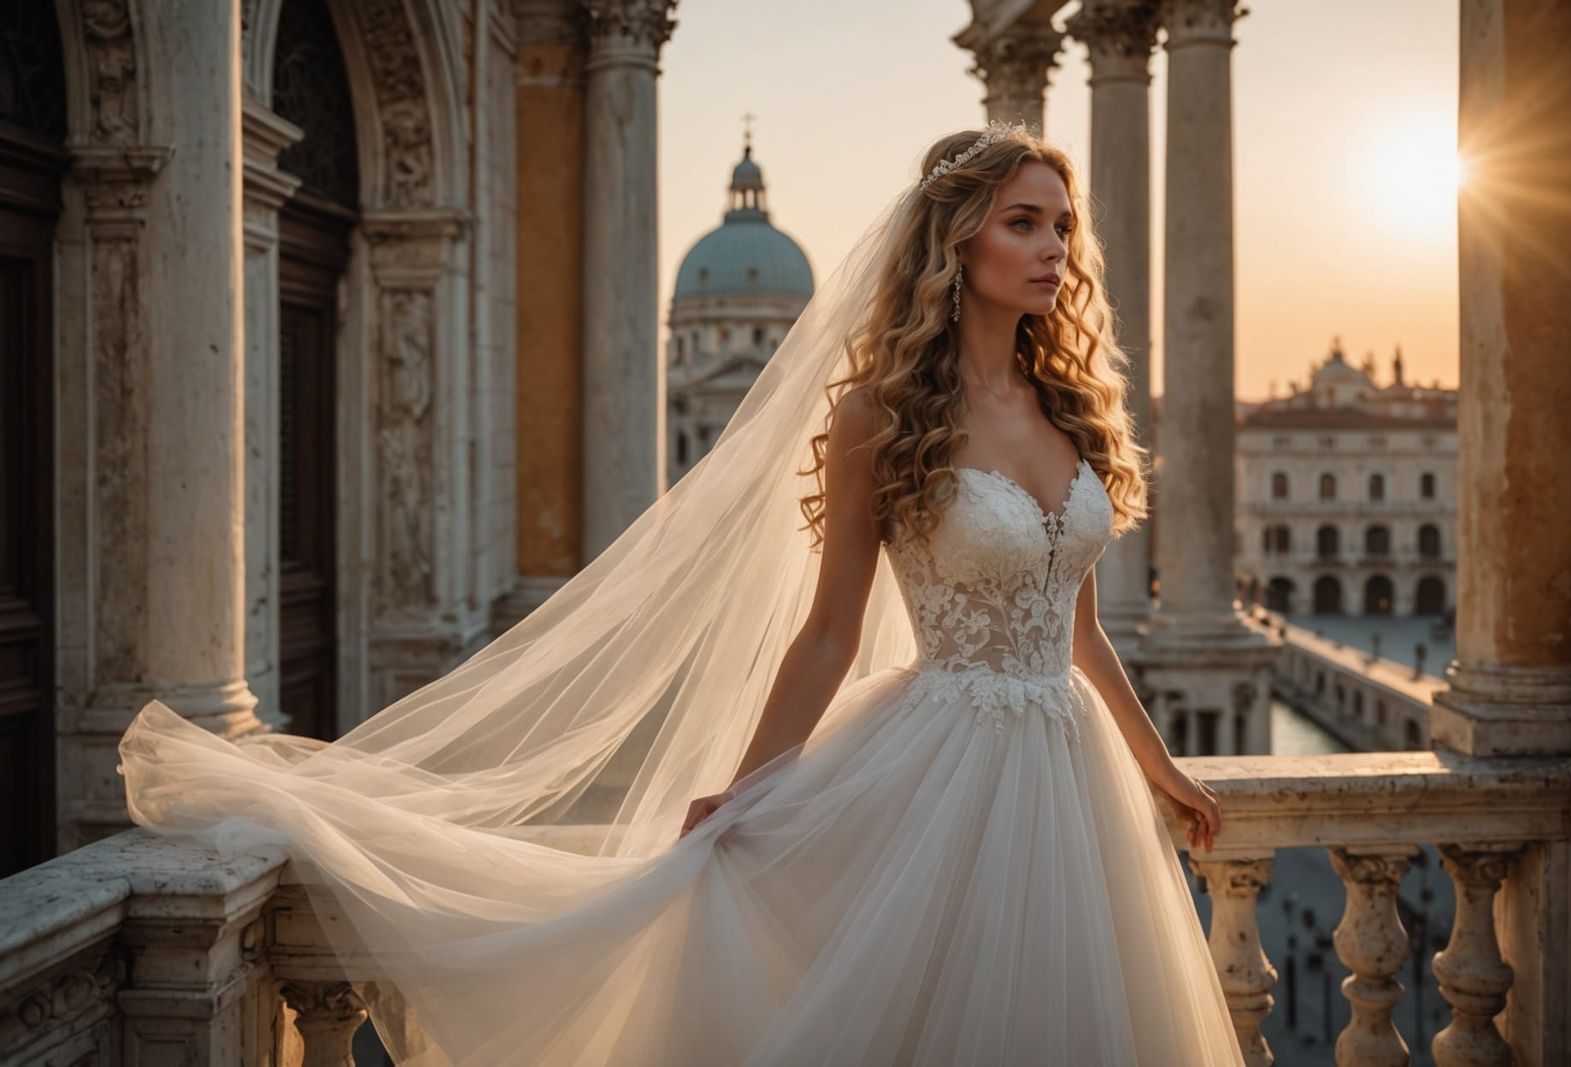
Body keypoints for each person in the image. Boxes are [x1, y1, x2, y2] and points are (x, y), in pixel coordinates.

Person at [118, 121, 1244, 1065]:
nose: (1052, 246)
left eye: (1059, 224)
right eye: (1021, 221)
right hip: (939, 764)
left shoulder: (1070, 413)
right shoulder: (879, 418)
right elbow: (829, 630)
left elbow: (1079, 628)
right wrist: (745, 792)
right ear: (956, 241)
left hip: (1070, 770)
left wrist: (1160, 767)